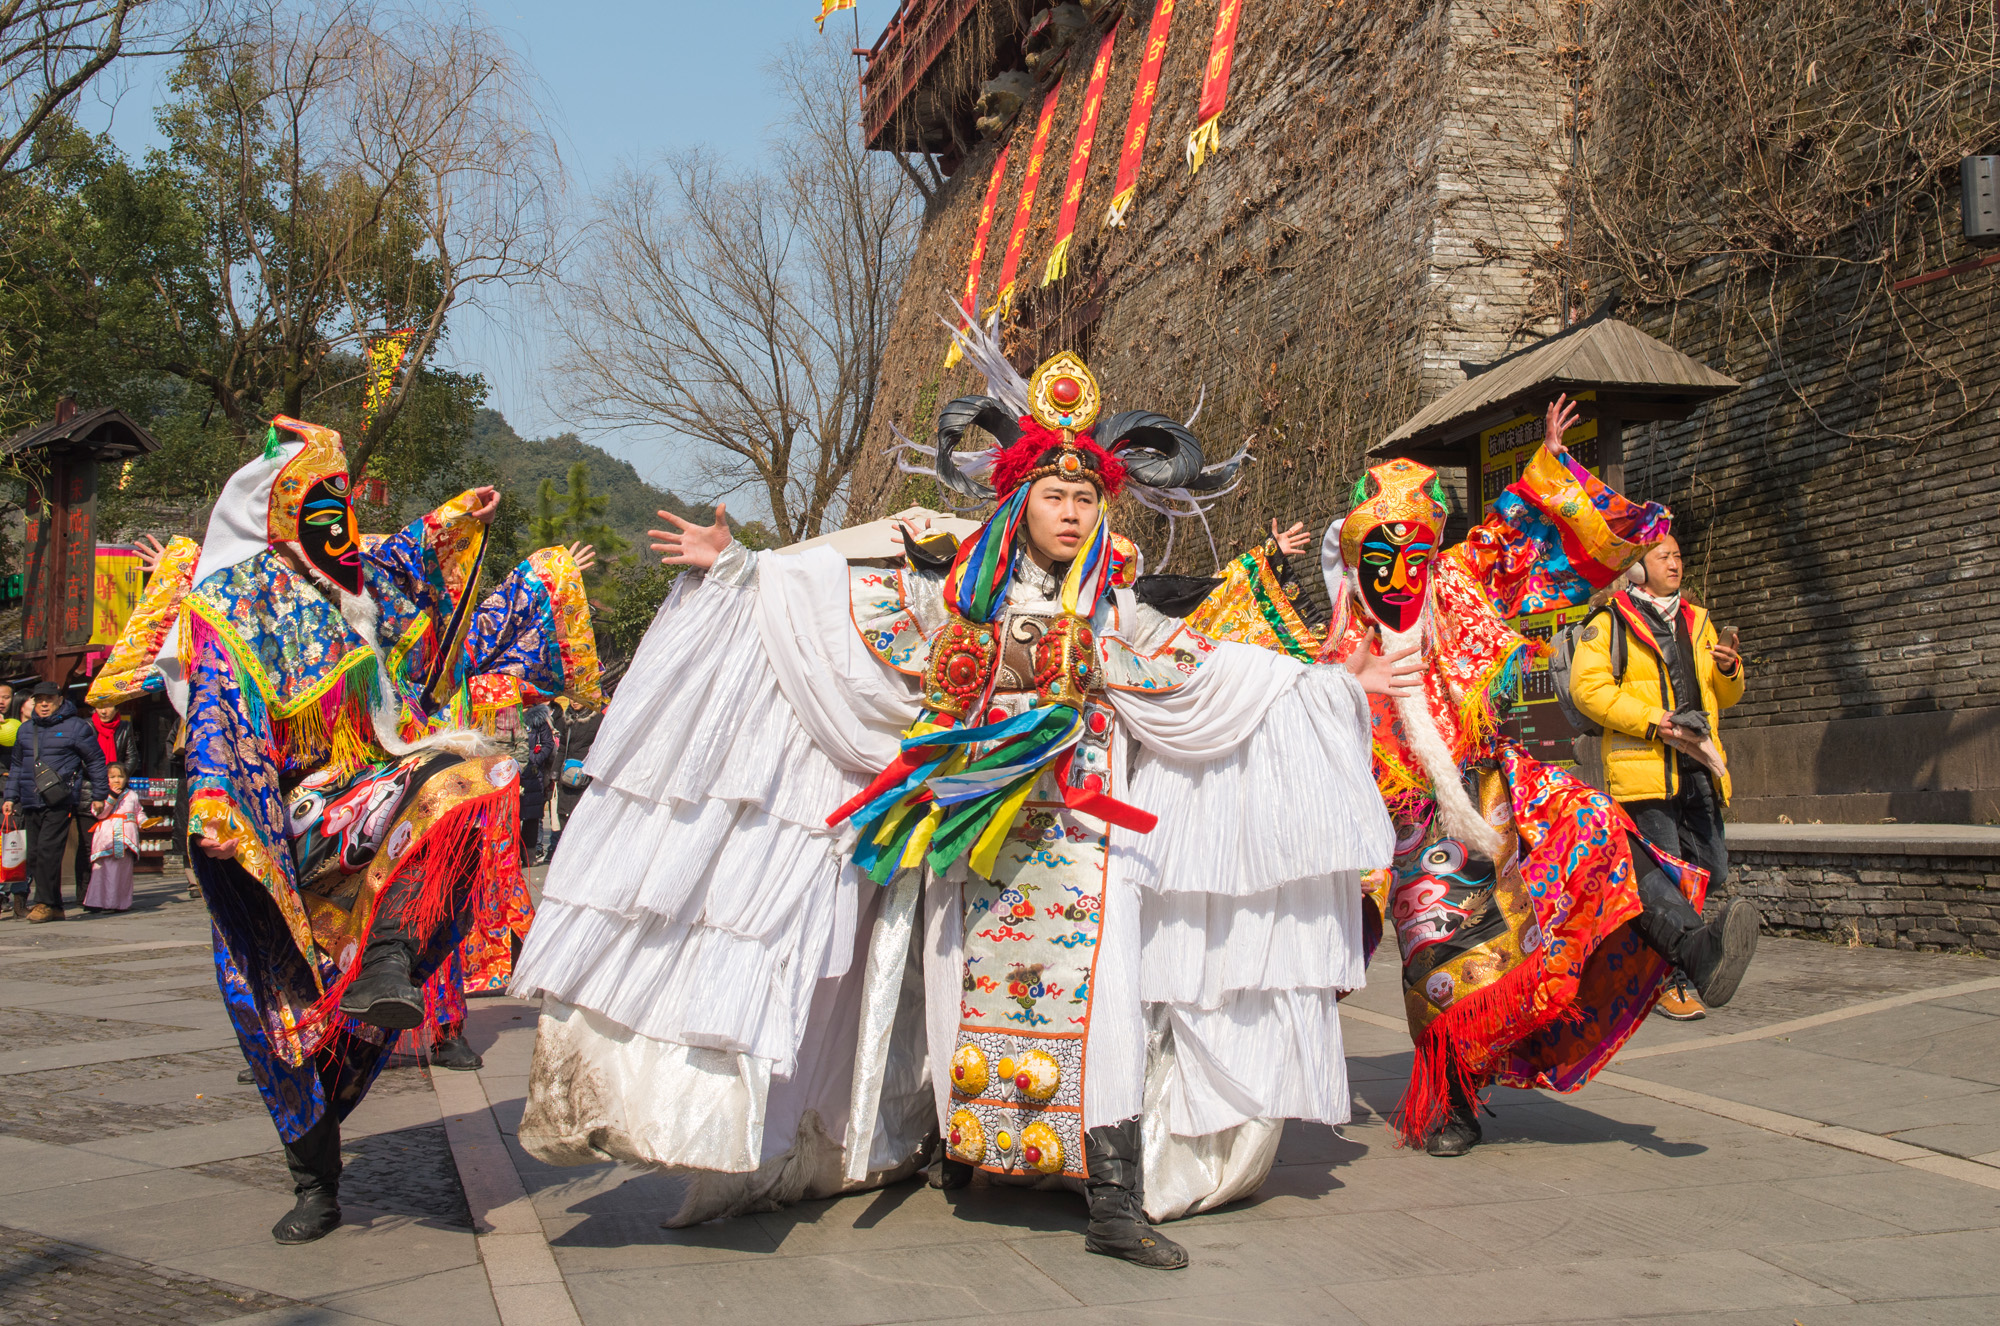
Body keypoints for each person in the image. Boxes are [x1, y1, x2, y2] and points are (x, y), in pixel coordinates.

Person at [510, 340, 1402, 1269]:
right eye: (1054, 496)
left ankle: (1113, 1198)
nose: (1069, 511)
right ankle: (973, 1154)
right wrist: (742, 568)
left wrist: (1320, 685)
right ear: (1020, 504)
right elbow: (839, 617)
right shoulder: (953, 596)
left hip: (1091, 841)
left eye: (1085, 498)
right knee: (958, 1001)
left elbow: (1198, 672)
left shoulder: (1117, 612)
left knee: (1105, 1010)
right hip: (972, 840)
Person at [85, 416, 602, 1244]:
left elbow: (415, 560)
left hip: (367, 804)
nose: (337, 523)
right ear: (278, 511)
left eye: (343, 506)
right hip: (281, 825)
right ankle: (315, 1178)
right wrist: (218, 809)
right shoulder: (232, 604)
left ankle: (391, 956)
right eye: (317, 503)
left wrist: (462, 515)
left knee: (478, 774)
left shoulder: (361, 585)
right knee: (277, 1022)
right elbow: (220, 714)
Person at [1237, 398, 1760, 1158]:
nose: (1402, 568)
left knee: (1596, 830)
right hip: (1406, 820)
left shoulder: (1456, 586)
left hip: (1494, 780)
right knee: (1443, 950)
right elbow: (1285, 703)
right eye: (1384, 550)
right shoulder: (1338, 648)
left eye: (1415, 549)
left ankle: (1695, 948)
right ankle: (1450, 1101)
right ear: (1356, 559)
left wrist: (1549, 463)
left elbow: (1510, 536)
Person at [1568, 533, 1746, 1021]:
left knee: (1710, 871)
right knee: (1664, 880)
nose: (1675, 561)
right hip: (1645, 771)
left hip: (1698, 765)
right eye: (1664, 555)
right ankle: (1673, 979)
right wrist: (1654, 720)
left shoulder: (1698, 620)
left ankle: (1658, 964)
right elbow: (1589, 690)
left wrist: (1729, 673)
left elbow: (1723, 698)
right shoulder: (1610, 621)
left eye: (1679, 553)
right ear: (1638, 567)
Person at [4, 681, 108, 923]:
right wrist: (10, 796)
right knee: (35, 854)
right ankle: (56, 905)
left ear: (59, 700)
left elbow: (95, 761)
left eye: (48, 699)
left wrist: (100, 795)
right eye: (39, 699)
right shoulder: (26, 729)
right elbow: (17, 765)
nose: (43, 704)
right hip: (30, 798)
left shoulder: (76, 727)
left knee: (49, 853)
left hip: (59, 799)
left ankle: (44, 903)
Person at [83, 763, 143, 912]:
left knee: (123, 873)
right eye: (113, 777)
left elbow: (138, 812)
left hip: (126, 839)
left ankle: (121, 903)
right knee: (104, 872)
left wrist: (144, 822)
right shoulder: (102, 795)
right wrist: (112, 797)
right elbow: (100, 814)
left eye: (120, 776)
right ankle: (98, 902)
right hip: (107, 838)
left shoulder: (132, 795)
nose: (117, 780)